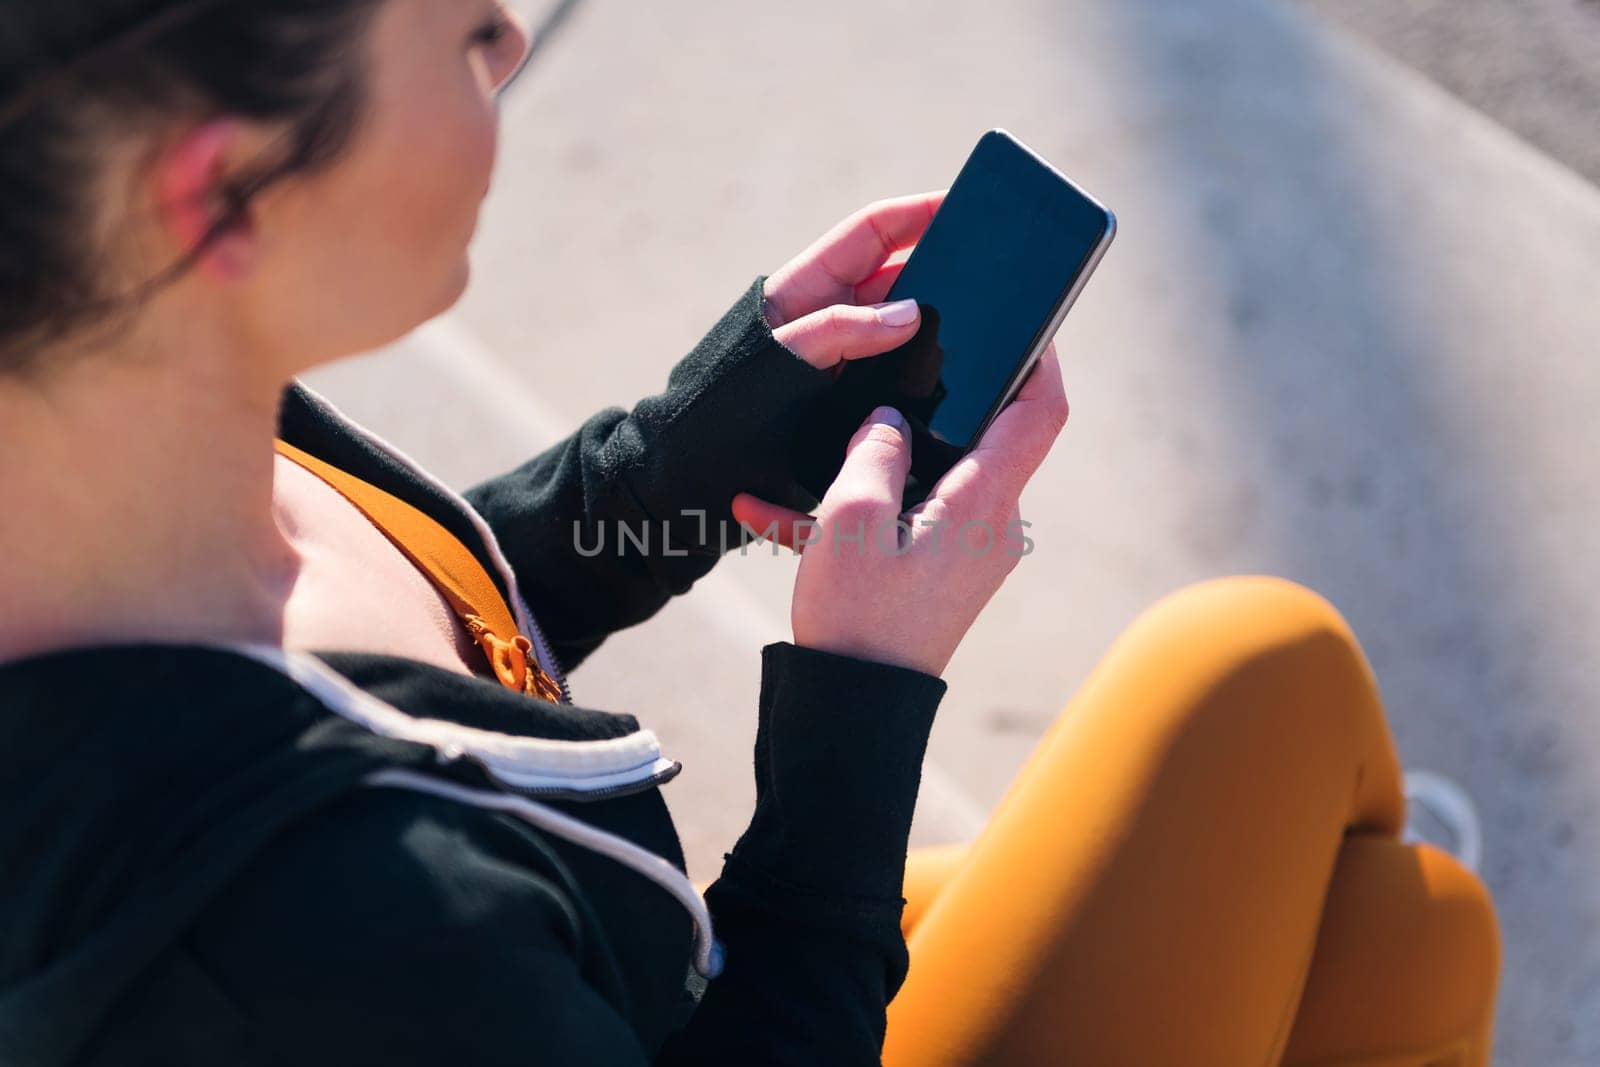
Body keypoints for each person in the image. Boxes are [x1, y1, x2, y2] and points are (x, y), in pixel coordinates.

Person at [0, 2, 1500, 1065]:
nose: (512, 39)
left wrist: (676, 460)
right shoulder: (335, 954)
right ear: (218, 196)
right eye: (457, 27)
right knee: (1295, 722)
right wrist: (861, 703)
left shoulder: (115, 406)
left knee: (1401, 938)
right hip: (754, 1002)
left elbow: (442, 648)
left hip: (660, 963)